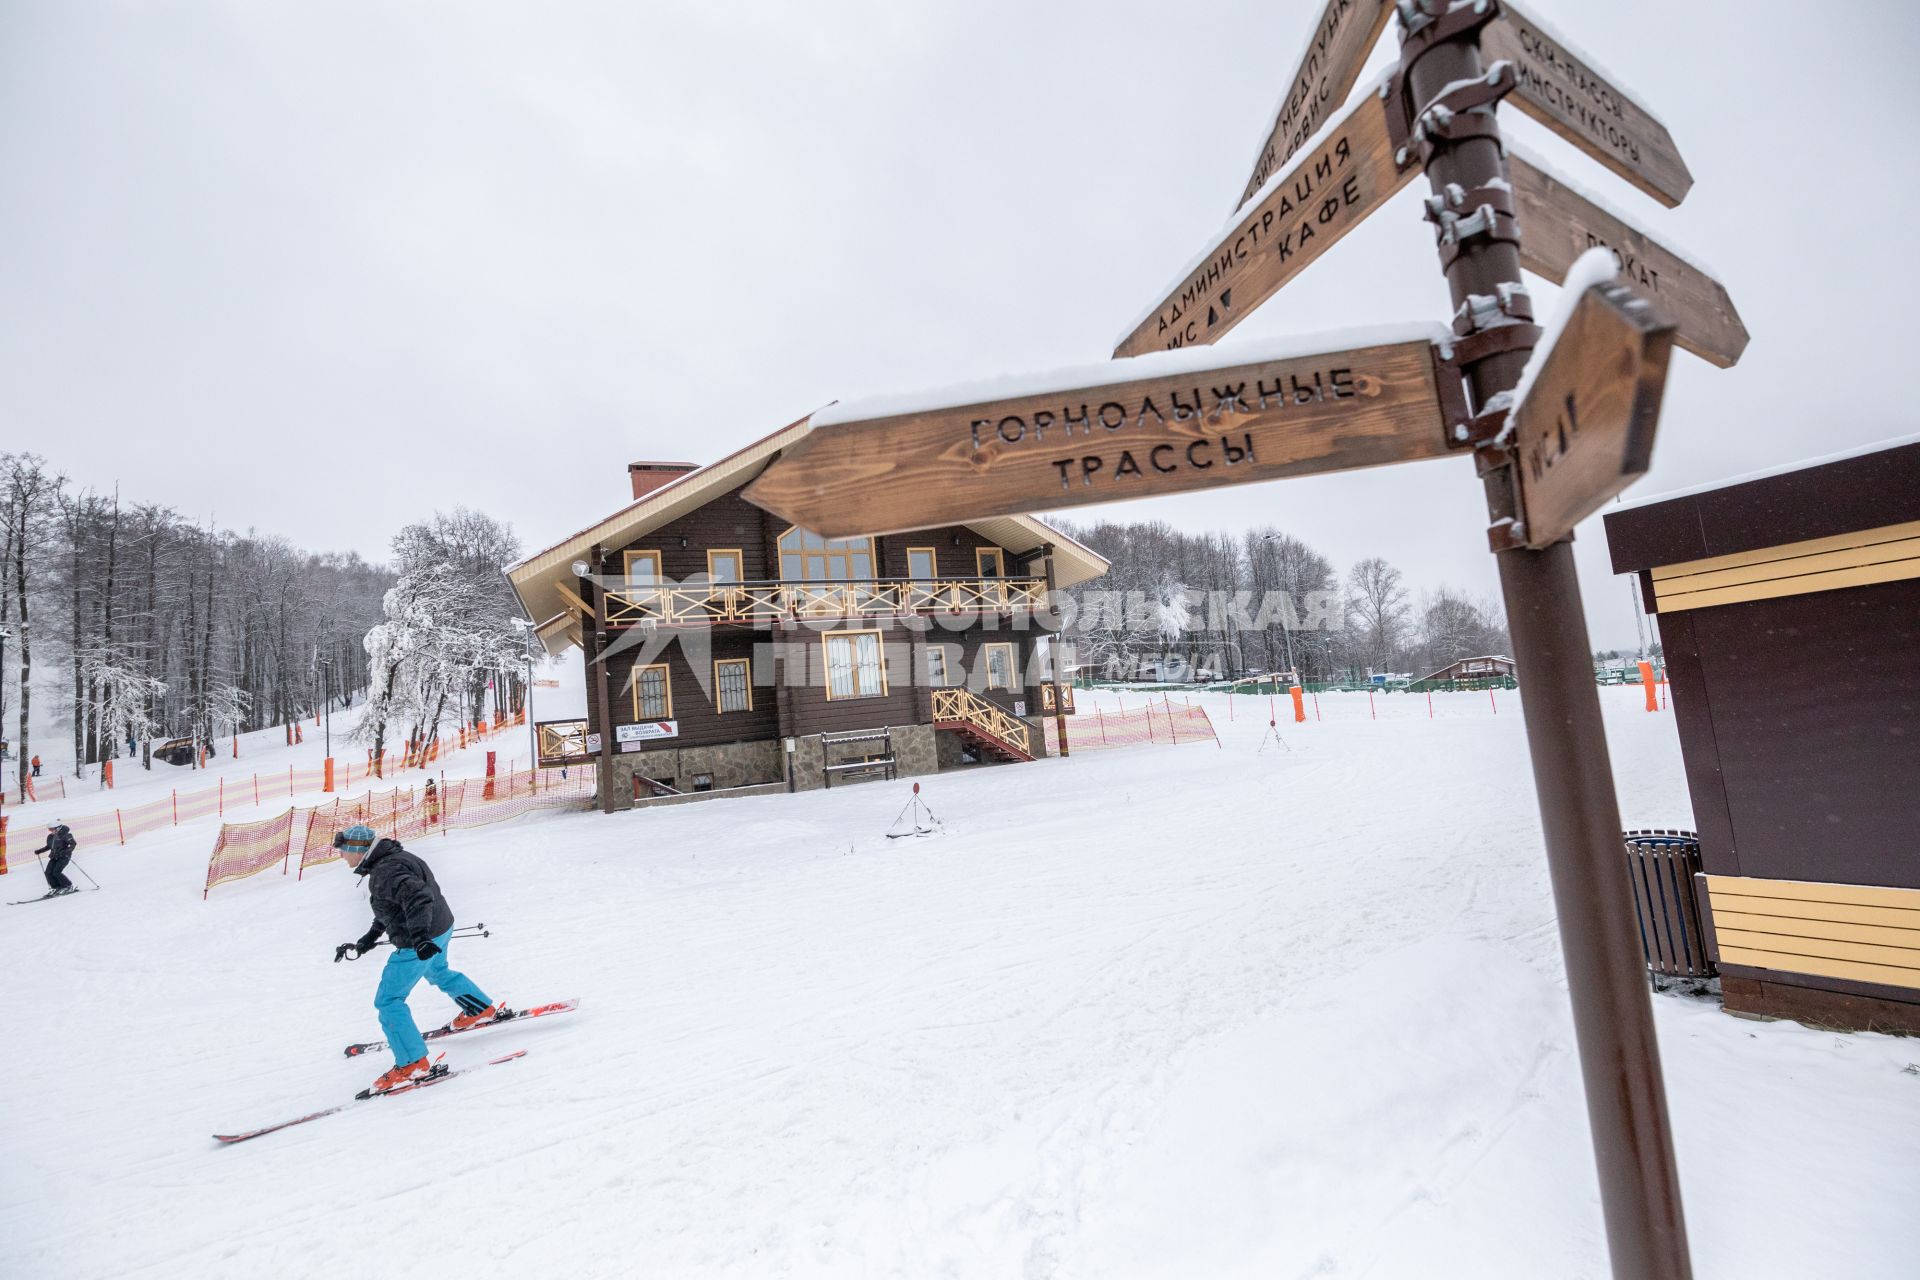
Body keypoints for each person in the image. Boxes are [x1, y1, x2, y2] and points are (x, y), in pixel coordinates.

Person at [329, 825, 501, 1093]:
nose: (341, 856)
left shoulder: (385, 871)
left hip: (418, 943)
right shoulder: (395, 859)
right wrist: (367, 940)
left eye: (343, 850)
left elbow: (419, 898)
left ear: (359, 850)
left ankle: (412, 1065)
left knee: (389, 1001)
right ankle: (480, 1010)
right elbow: (394, 906)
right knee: (438, 972)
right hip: (441, 928)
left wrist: (419, 938)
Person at [34, 822, 77, 896]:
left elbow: (73, 844)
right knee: (48, 872)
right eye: (49, 829)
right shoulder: (50, 837)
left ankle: (68, 886)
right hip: (54, 856)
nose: (50, 831)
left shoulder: (66, 835)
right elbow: (49, 846)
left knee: (57, 872)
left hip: (64, 857)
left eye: (51, 829)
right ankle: (56, 887)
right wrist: (40, 851)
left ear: (58, 828)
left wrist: (66, 852)